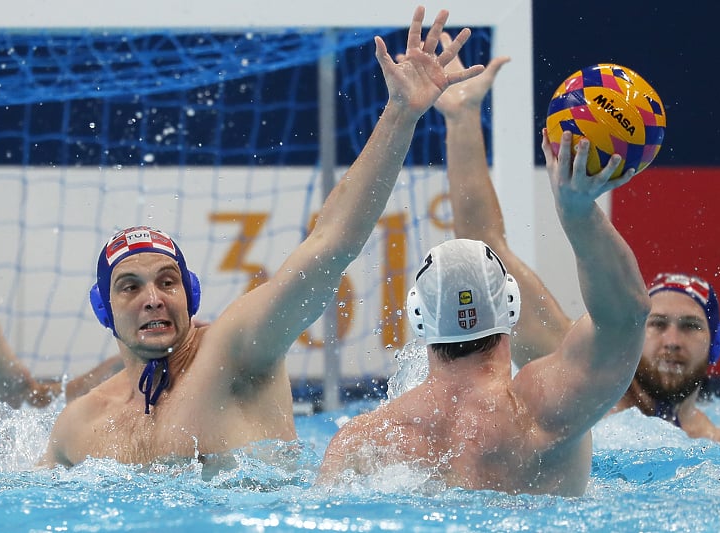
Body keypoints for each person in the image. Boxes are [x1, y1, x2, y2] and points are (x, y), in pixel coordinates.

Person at [39, 6, 484, 468]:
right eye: (130, 287)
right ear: (104, 308)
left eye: (167, 282)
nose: (153, 299)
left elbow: (330, 245)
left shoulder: (235, 351)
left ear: (190, 294)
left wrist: (400, 114)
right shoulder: (79, 426)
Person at [317, 105, 651, 494]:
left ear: (418, 316)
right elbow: (627, 317)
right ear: (512, 303)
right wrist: (577, 214)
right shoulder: (544, 410)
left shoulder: (364, 441)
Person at [430, 40, 720, 443]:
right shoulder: (575, 378)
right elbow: (485, 249)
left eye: (690, 326)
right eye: (657, 324)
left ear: (716, 343)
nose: (671, 341)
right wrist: (463, 118)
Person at [0, 288, 123, 408]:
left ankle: (122, 364)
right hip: (19, 409)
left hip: (25, 410)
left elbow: (34, 400)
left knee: (35, 397)